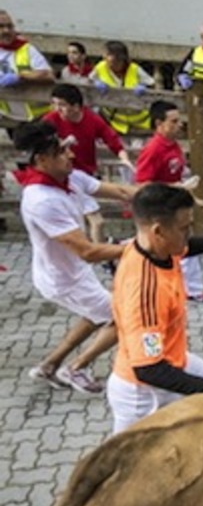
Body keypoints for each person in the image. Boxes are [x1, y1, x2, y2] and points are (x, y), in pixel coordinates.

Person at [107, 185, 203, 433]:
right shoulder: (146, 291)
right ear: (158, 231)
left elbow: (189, 246)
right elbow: (148, 369)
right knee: (128, 455)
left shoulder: (157, 248)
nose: (189, 233)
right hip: (143, 394)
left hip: (173, 358)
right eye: (184, 228)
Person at [14, 121, 133, 393]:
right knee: (123, 316)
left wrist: (167, 192)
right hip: (62, 280)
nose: (70, 154)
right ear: (42, 160)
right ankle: (76, 368)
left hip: (75, 272)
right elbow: (88, 251)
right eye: (61, 152)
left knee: (96, 313)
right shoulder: (41, 200)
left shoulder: (70, 178)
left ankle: (49, 365)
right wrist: (139, 248)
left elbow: (121, 191)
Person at [135, 99, 203, 304]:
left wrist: (194, 199)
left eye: (179, 121)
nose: (180, 125)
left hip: (175, 206)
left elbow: (177, 178)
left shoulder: (174, 146)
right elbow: (142, 183)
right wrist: (173, 188)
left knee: (182, 245)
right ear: (159, 124)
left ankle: (190, 288)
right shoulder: (153, 149)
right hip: (160, 209)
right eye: (174, 121)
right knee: (172, 246)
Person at [43, 84, 133, 178]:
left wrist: (125, 159)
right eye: (54, 104)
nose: (57, 109)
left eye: (62, 105)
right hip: (59, 172)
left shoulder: (92, 119)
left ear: (76, 107)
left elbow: (112, 139)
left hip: (85, 173)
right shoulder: (50, 119)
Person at [90, 41, 155, 134]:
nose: (107, 59)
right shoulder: (100, 67)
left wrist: (144, 87)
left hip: (138, 121)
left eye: (109, 55)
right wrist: (95, 83)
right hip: (113, 120)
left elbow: (152, 83)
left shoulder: (134, 69)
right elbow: (89, 81)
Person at [0, 9, 53, 121]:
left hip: (36, 117)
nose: (6, 30)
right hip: (7, 116)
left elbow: (48, 75)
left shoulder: (27, 49)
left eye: (9, 26)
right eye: (1, 26)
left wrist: (21, 76)